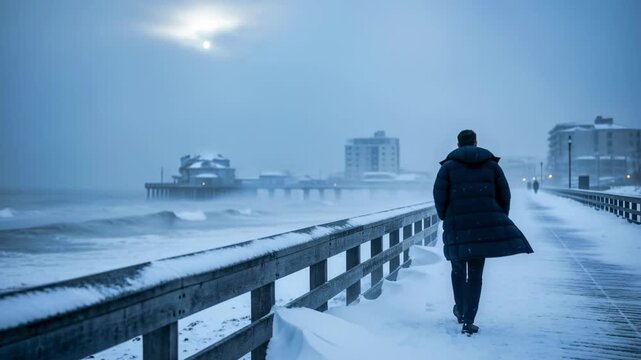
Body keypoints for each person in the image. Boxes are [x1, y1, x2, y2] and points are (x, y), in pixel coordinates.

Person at [433, 129, 533, 335]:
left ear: (458, 144)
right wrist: (495, 217)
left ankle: (460, 309)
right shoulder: (491, 166)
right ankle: (469, 320)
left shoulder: (448, 168)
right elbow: (505, 195)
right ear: (476, 143)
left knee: (458, 269)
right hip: (483, 228)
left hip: (457, 227)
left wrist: (446, 216)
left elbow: (439, 196)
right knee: (476, 274)